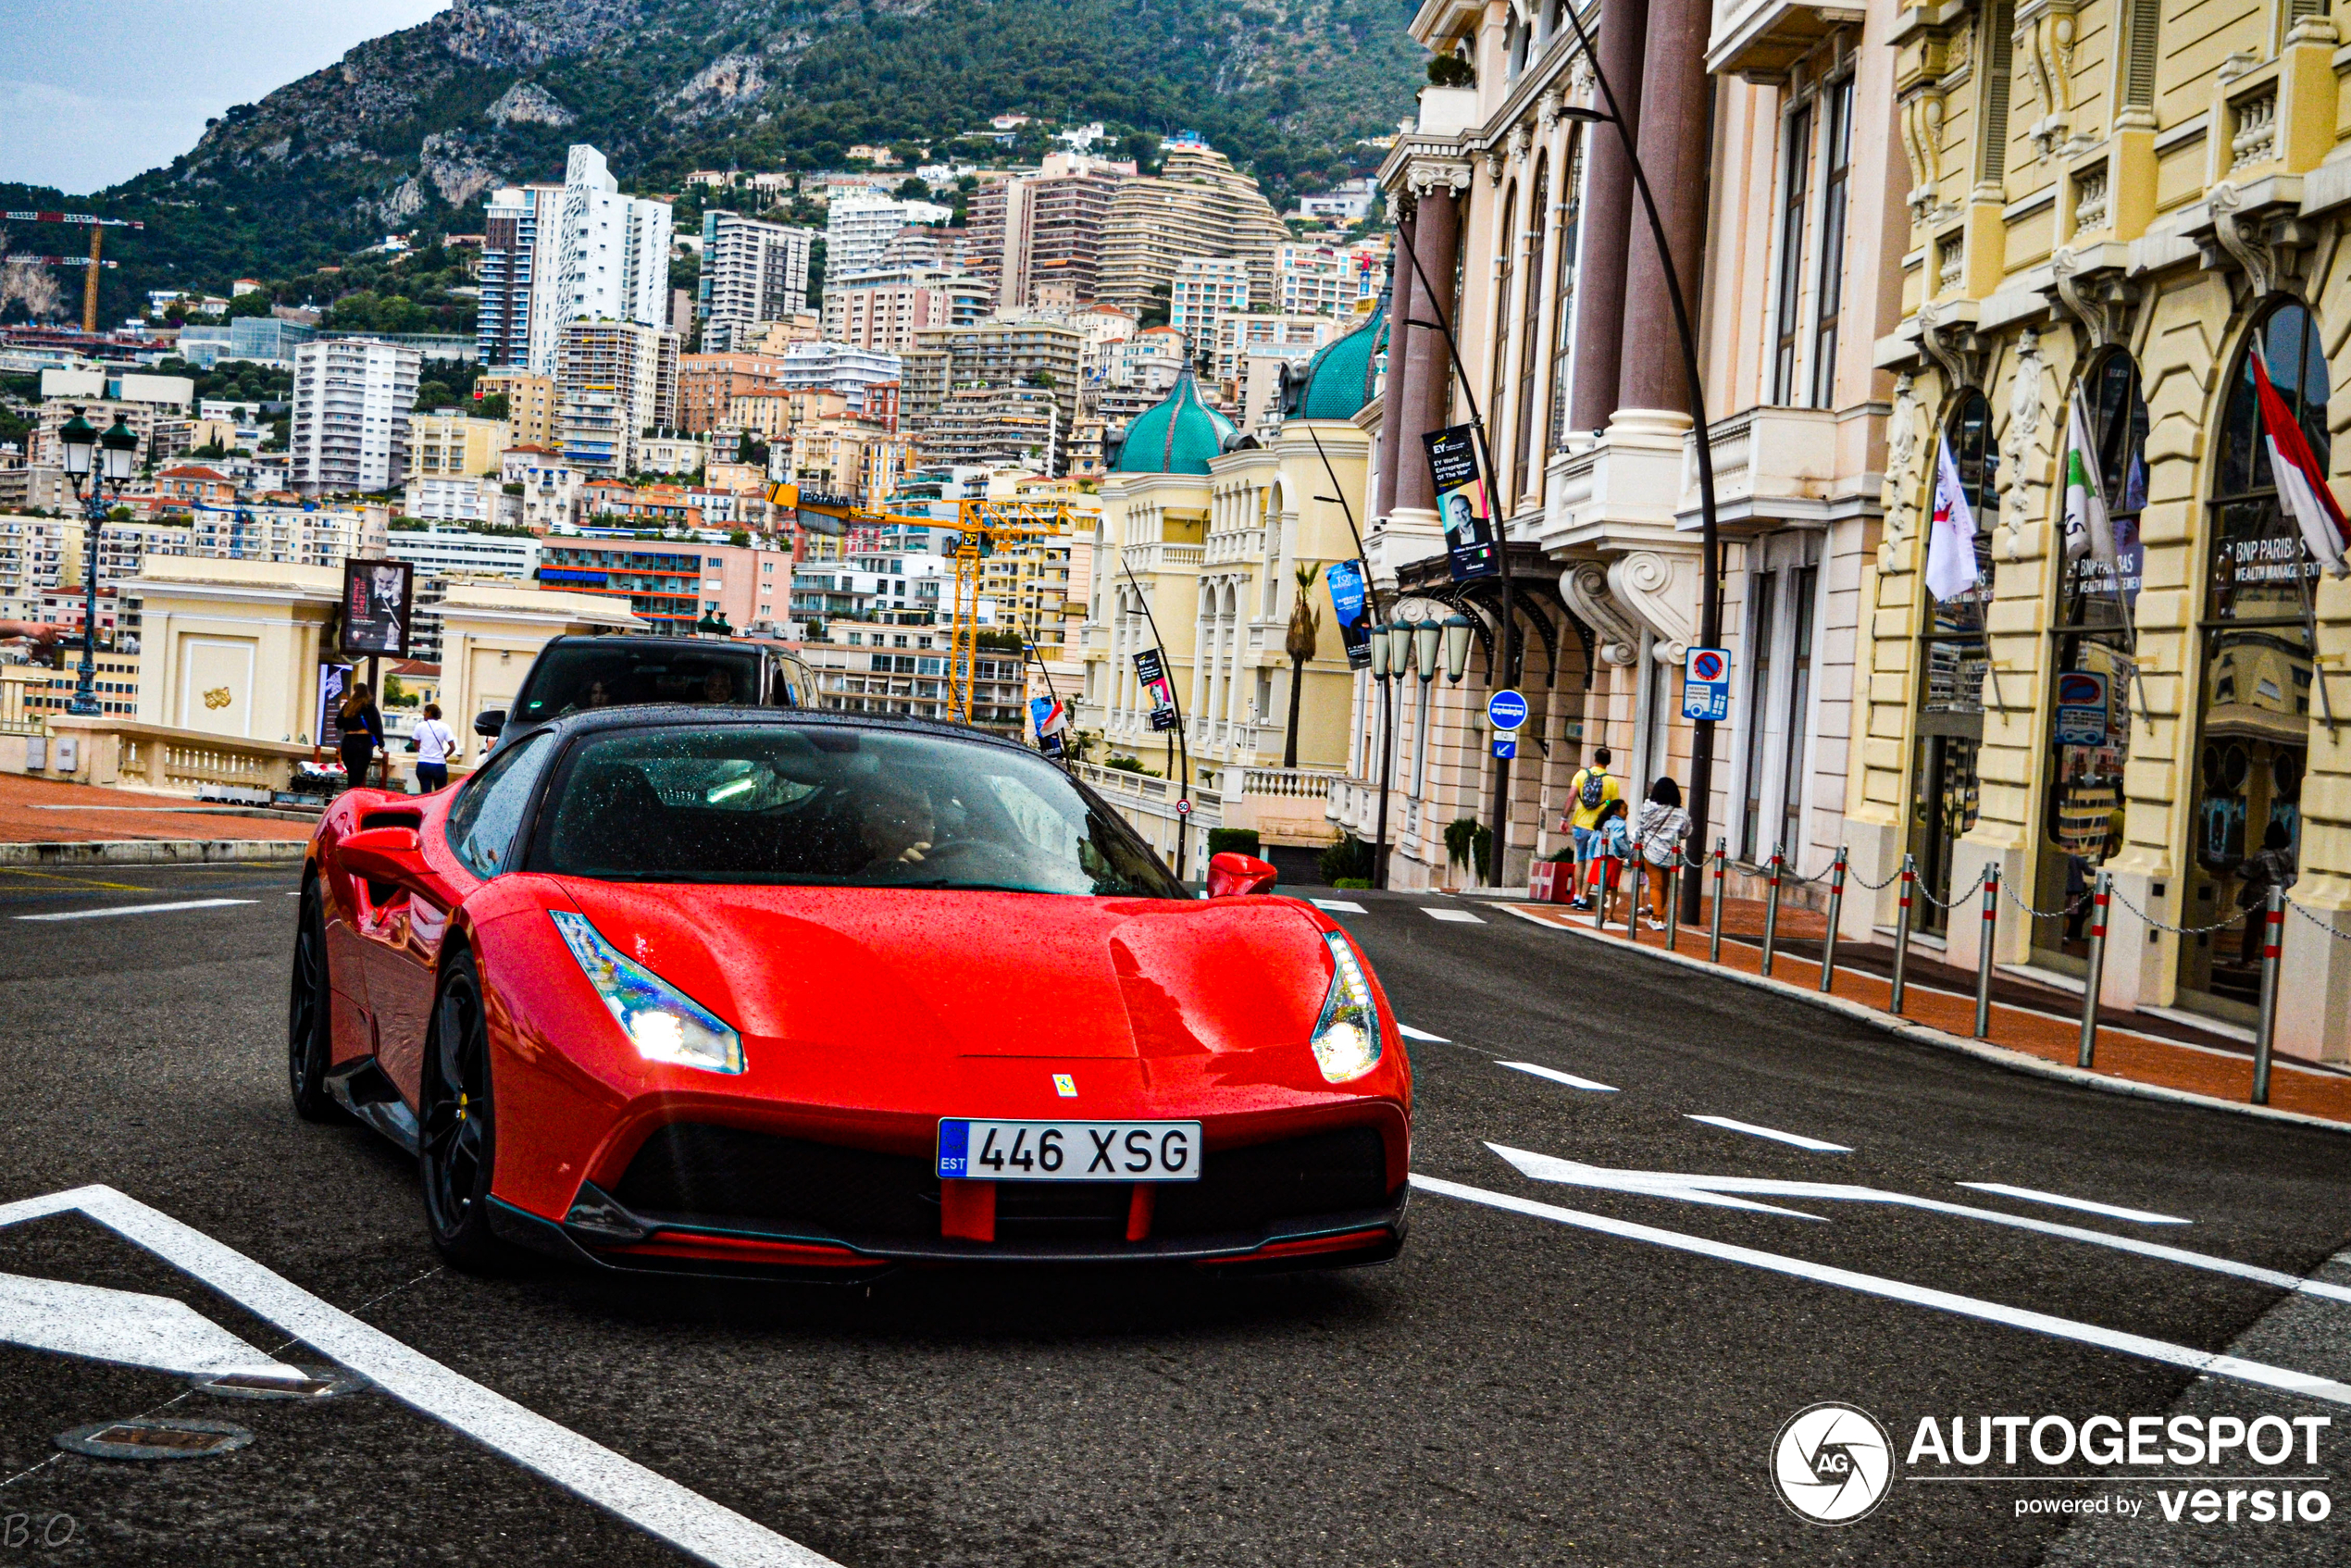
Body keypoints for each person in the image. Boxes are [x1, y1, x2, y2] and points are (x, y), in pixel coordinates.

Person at [1561, 747, 1622, 910]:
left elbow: (1571, 796)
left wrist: (1564, 818)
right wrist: (1605, 804)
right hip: (1598, 827)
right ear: (1608, 762)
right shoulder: (1611, 782)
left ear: (1594, 759)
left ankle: (1575, 895)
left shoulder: (1581, 775)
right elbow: (1614, 805)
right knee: (1592, 862)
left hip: (1580, 823)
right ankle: (1583, 898)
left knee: (1580, 860)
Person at [1630, 776, 1692, 931]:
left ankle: (1658, 917)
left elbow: (1642, 824)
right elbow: (1687, 831)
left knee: (1656, 885)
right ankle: (1659, 915)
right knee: (1664, 885)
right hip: (1671, 853)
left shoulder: (1649, 808)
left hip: (1651, 850)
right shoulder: (1681, 813)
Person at [2236, 818, 2299, 969]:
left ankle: (2247, 960)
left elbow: (2248, 872)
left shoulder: (2263, 855)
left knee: (2253, 929)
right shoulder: (2288, 854)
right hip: (2278, 895)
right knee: (2272, 927)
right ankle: (2277, 961)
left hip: (2258, 896)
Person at [856, 779, 938, 877]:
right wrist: (896, 872)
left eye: (925, 818)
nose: (917, 830)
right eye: (899, 822)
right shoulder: (861, 884)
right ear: (870, 836)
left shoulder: (953, 867)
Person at [1590, 799, 1633, 922]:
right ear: (1617, 811)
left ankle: (1601, 911)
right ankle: (1610, 914)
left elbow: (1592, 840)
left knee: (1601, 887)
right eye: (1625, 809)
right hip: (1613, 858)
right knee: (1613, 887)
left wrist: (1594, 854)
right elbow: (1616, 839)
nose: (1627, 812)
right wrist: (1625, 851)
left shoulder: (1603, 823)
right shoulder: (1620, 824)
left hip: (1600, 856)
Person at [336, 682, 384, 790]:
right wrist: (381, 743)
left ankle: (349, 794)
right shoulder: (370, 706)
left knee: (351, 773)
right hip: (363, 742)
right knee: (358, 775)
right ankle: (354, 797)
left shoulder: (348, 706)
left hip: (348, 742)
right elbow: (377, 726)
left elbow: (338, 723)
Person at [411, 703, 456, 793]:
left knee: (425, 792)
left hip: (423, 764)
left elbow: (415, 743)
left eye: (425, 712)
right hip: (439, 765)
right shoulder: (445, 727)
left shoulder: (420, 726)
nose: (424, 714)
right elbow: (452, 747)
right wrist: (445, 756)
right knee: (440, 793)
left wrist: (422, 751)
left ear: (430, 713)